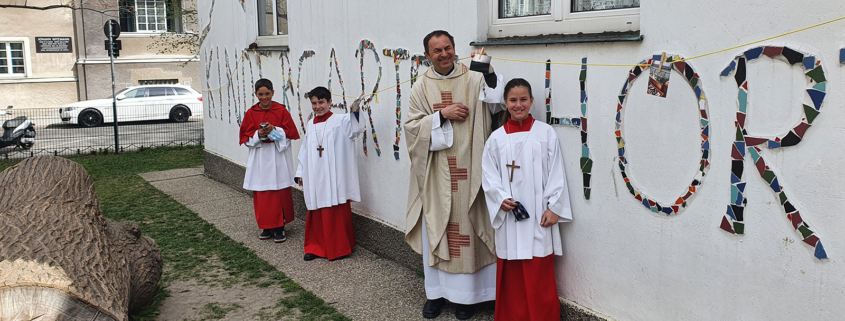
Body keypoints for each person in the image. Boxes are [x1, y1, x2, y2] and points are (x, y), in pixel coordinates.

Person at [404, 30, 506, 320]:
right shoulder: (420, 87)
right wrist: (441, 115)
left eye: (447, 48)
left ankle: (469, 299)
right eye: (437, 51)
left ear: (454, 48)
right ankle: (436, 295)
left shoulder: (473, 75)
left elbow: (497, 105)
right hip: (437, 172)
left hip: (472, 167)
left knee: (471, 228)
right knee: (439, 227)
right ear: (427, 55)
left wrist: (488, 71)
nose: (444, 54)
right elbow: (411, 129)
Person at [481, 78, 572, 320]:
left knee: (538, 271)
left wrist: (554, 207)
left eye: (523, 99)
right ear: (505, 102)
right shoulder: (496, 138)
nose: (518, 105)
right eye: (513, 100)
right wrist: (499, 198)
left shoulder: (545, 133)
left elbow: (556, 171)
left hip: (538, 215)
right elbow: (488, 175)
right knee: (511, 273)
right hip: (511, 217)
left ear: (532, 101)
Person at [295, 87, 364, 261]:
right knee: (316, 210)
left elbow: (356, 129)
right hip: (315, 176)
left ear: (329, 102)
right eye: (314, 103)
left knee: (335, 209)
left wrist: (355, 111)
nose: (318, 106)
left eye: (321, 102)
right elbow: (305, 150)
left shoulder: (340, 120)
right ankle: (315, 247)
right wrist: (300, 172)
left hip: (334, 176)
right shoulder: (311, 124)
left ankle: (339, 248)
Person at [239, 78, 301, 243]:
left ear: (273, 93)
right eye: (261, 94)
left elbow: (290, 133)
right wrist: (258, 135)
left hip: (277, 156)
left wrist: (275, 130)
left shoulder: (281, 111)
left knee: (278, 192)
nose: (264, 98)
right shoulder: (251, 113)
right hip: (260, 157)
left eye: (267, 94)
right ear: (256, 94)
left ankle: (280, 227)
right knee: (263, 193)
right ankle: (266, 226)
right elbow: (245, 136)